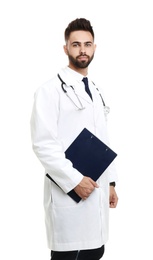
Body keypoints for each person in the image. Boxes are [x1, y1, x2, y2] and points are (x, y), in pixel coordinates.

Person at [30, 18, 118, 260]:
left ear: (94, 48)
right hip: (69, 194)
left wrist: (111, 183)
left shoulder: (95, 90)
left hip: (97, 195)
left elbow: (103, 140)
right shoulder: (49, 91)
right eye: (76, 44)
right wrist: (75, 180)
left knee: (96, 251)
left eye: (87, 44)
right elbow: (43, 144)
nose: (82, 50)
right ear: (66, 48)